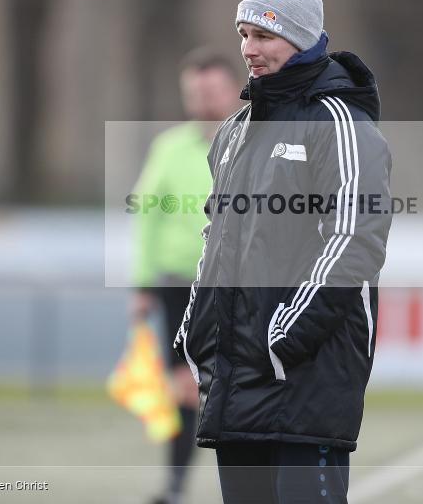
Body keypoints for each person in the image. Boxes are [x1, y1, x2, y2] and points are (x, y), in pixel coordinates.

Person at [172, 0, 392, 504]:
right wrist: (196, 328)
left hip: (305, 379)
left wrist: (282, 340)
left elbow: (355, 240)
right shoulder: (235, 129)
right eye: (244, 34)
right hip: (237, 381)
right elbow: (216, 240)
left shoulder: (341, 122)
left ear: (301, 37)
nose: (248, 49)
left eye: (264, 36)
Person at [130, 48, 243, 504]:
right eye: (195, 91)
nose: (204, 99)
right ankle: (176, 486)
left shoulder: (258, 141)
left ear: (234, 90)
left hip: (240, 283)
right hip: (180, 284)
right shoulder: (169, 149)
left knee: (238, 386)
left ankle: (243, 485)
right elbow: (147, 216)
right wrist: (143, 283)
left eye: (212, 89)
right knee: (184, 389)